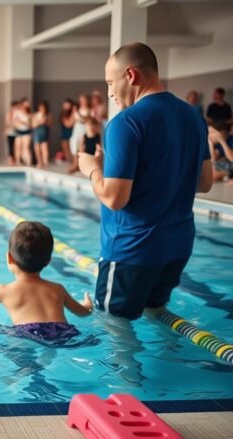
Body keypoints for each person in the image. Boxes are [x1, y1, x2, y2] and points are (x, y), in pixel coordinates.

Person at [78, 42, 213, 320]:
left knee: (113, 326)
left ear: (130, 75)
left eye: (110, 82)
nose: (110, 92)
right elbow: (205, 182)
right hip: (178, 247)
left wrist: (91, 169)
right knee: (157, 314)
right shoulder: (193, 117)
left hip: (131, 251)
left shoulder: (126, 123)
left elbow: (115, 198)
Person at [0, 221, 93, 344]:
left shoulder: (4, 290)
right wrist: (87, 305)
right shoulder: (57, 289)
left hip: (29, 333)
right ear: (48, 261)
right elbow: (83, 313)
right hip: (64, 332)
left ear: (9, 258)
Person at [68, 94, 91, 173]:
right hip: (76, 131)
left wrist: (77, 113)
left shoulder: (89, 110)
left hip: (84, 131)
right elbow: (71, 123)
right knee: (74, 147)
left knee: (82, 148)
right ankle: (75, 165)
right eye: (81, 100)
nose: (82, 102)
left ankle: (82, 166)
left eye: (84, 100)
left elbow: (85, 119)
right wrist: (73, 113)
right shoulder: (77, 110)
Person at [13, 98, 33, 166]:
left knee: (26, 147)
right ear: (22, 104)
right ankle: (18, 161)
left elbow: (30, 124)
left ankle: (28, 162)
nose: (27, 105)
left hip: (26, 131)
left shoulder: (29, 113)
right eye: (25, 103)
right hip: (18, 130)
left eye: (27, 103)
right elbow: (15, 122)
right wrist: (20, 123)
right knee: (17, 146)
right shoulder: (17, 112)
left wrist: (22, 122)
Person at [32, 101, 51, 168]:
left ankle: (45, 162)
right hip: (37, 132)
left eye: (43, 107)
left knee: (44, 148)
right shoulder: (35, 115)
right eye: (41, 107)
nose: (42, 108)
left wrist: (45, 121)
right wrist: (41, 122)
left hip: (44, 132)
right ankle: (39, 162)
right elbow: (33, 125)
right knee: (37, 148)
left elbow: (49, 125)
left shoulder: (48, 115)